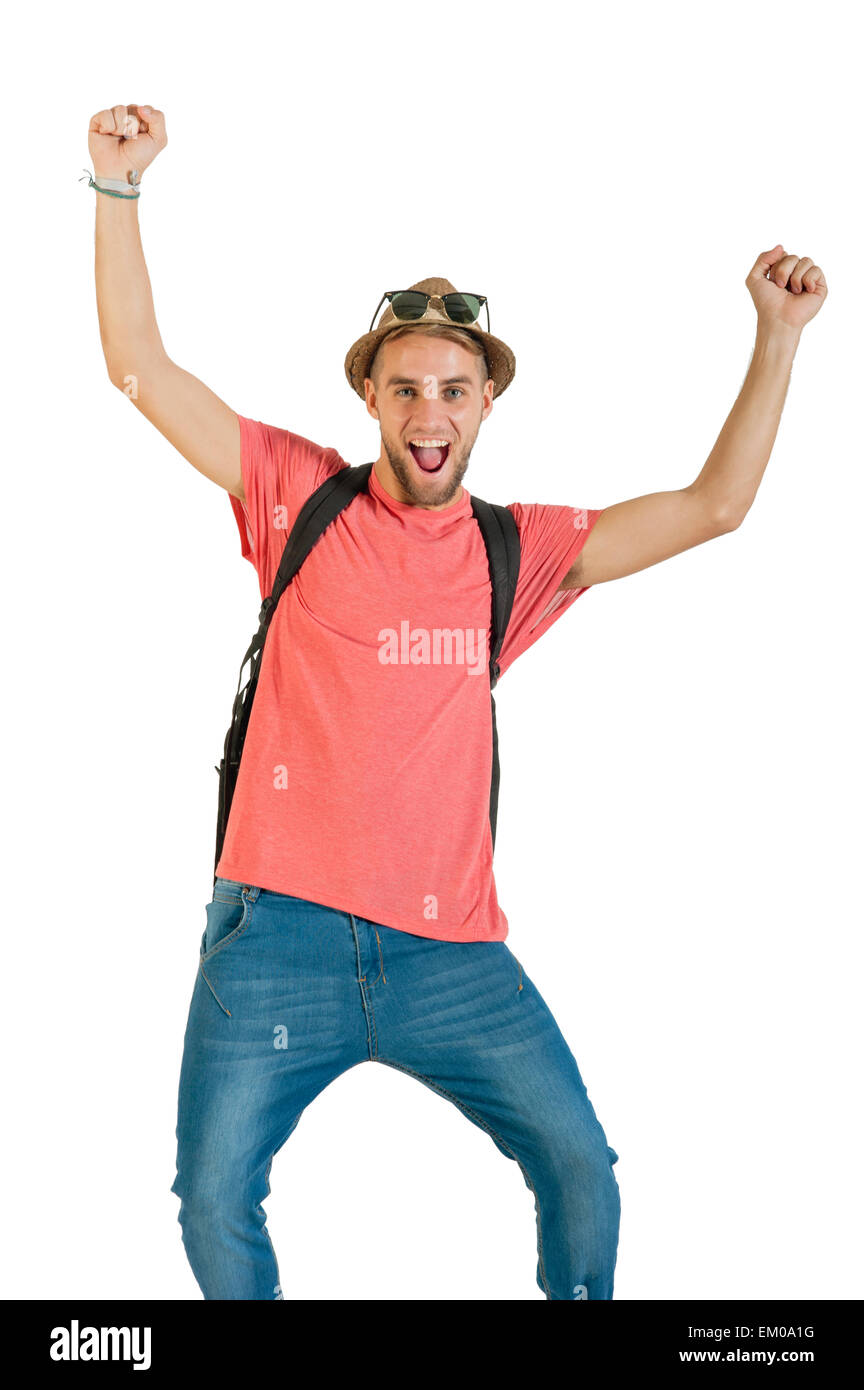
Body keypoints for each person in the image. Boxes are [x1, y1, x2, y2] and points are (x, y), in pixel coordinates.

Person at [86, 102, 827, 1302]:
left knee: (582, 1167)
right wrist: (117, 194)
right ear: (371, 400)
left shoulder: (511, 552)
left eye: (455, 388)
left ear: (487, 404)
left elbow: (714, 507)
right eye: (406, 387)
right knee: (214, 1195)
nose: (430, 412)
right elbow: (140, 370)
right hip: (278, 937)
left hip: (453, 957)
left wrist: (779, 337)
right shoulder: (296, 498)